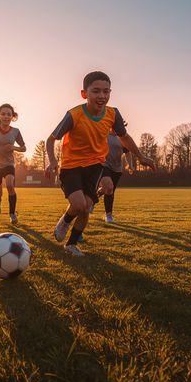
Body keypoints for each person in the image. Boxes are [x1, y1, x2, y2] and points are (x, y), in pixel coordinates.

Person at [45, 71, 155, 256]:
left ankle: (71, 245)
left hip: (95, 166)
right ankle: (65, 220)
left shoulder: (113, 114)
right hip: (71, 166)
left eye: (106, 91)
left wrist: (141, 156)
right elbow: (50, 139)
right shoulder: (74, 115)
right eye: (96, 91)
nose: (102, 96)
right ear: (84, 93)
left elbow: (124, 137)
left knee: (86, 208)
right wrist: (53, 161)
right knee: (79, 204)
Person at [100, 130, 136, 223]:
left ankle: (93, 199)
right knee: (109, 187)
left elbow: (127, 152)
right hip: (104, 165)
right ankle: (108, 215)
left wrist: (130, 165)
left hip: (117, 168)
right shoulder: (104, 134)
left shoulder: (122, 138)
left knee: (109, 190)